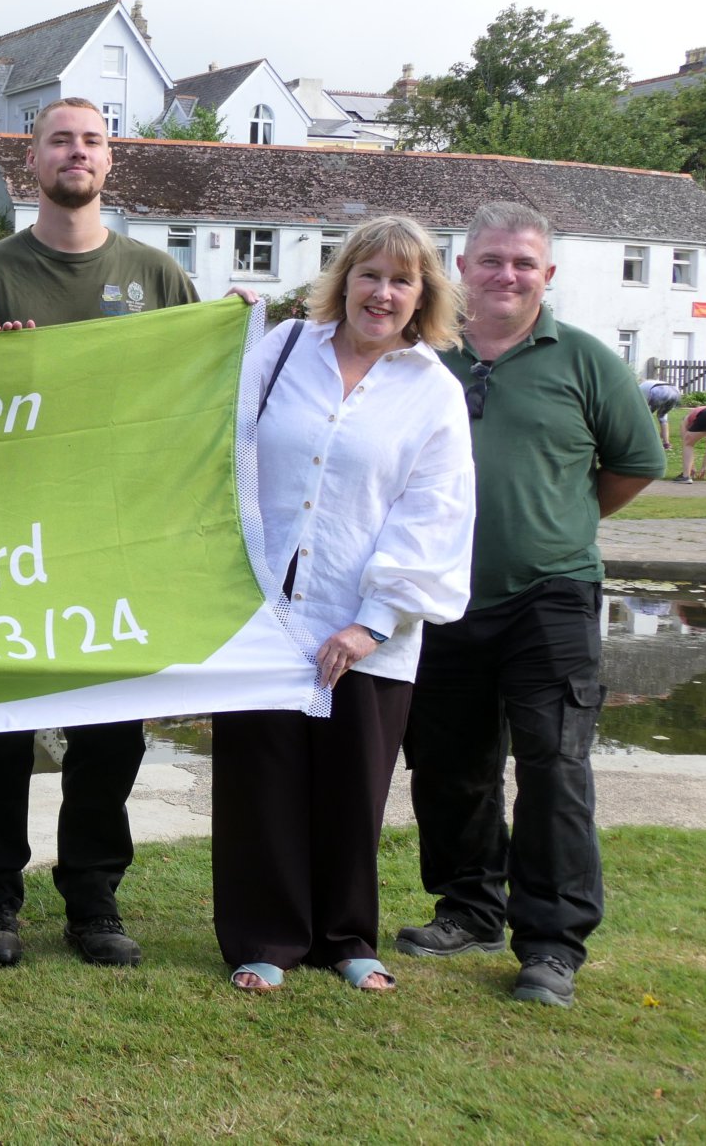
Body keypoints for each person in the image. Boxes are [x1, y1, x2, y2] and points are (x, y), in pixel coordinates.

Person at [0, 97, 198, 969]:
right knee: (1, 731)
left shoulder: (158, 278)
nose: (76, 153)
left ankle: (93, 898)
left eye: (92, 140)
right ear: (33, 161)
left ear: (109, 161)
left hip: (116, 540)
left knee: (110, 728)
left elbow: (192, 399)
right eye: (60, 139)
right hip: (7, 538)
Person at [397, 201, 665, 1008]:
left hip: (550, 593)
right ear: (461, 267)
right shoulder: (421, 358)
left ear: (547, 275)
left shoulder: (583, 359)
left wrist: (558, 522)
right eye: (490, 260)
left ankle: (550, 943)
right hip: (440, 593)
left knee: (553, 766)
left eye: (523, 263)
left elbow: (633, 463)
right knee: (449, 765)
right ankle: (469, 907)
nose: (506, 275)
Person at [212, 216, 474, 994]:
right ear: (345, 279)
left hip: (371, 624)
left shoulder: (434, 391)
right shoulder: (285, 349)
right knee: (262, 778)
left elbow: (435, 509)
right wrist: (221, 334)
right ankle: (265, 937)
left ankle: (347, 936)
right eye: (369, 274)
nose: (382, 293)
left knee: (354, 784)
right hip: (266, 611)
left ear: (422, 294)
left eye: (401, 280)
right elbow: (219, 435)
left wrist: (373, 620)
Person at [677, 403, 706, 483]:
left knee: (687, 444)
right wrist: (704, 467)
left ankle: (686, 477)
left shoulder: (685, 420)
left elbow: (686, 442)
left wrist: (692, 468)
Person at [640, 378, 681, 449]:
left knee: (646, 416)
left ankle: (648, 441)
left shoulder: (640, 388)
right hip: (675, 392)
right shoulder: (649, 383)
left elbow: (642, 405)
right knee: (662, 416)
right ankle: (666, 444)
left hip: (658, 391)